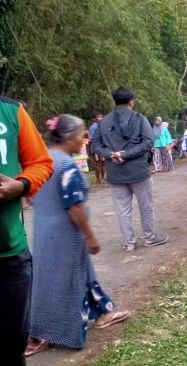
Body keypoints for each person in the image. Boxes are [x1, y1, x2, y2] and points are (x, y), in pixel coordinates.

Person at [25, 115, 130, 356]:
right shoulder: (66, 166)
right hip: (64, 234)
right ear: (69, 137)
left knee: (76, 273)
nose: (86, 138)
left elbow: (31, 196)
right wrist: (90, 236)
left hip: (44, 232)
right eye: (83, 134)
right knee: (58, 283)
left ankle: (104, 312)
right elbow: (74, 207)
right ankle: (45, 332)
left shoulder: (41, 160)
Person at [0, 96, 53, 366]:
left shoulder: (11, 111)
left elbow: (41, 163)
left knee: (11, 347)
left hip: (9, 254)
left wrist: (19, 186)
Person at [91, 87, 169, 252]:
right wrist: (125, 154)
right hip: (138, 171)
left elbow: (95, 145)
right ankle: (150, 238)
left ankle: (129, 243)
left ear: (115, 101)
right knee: (146, 206)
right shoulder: (139, 119)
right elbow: (148, 142)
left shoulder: (104, 122)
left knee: (122, 210)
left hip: (115, 172)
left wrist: (111, 155)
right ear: (131, 101)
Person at [88, 112, 105, 184]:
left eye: (101, 117)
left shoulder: (101, 126)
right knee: (98, 163)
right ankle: (98, 179)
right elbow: (92, 139)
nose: (101, 118)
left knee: (103, 163)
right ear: (95, 119)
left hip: (101, 148)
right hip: (96, 148)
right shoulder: (93, 127)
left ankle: (103, 178)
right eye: (99, 117)